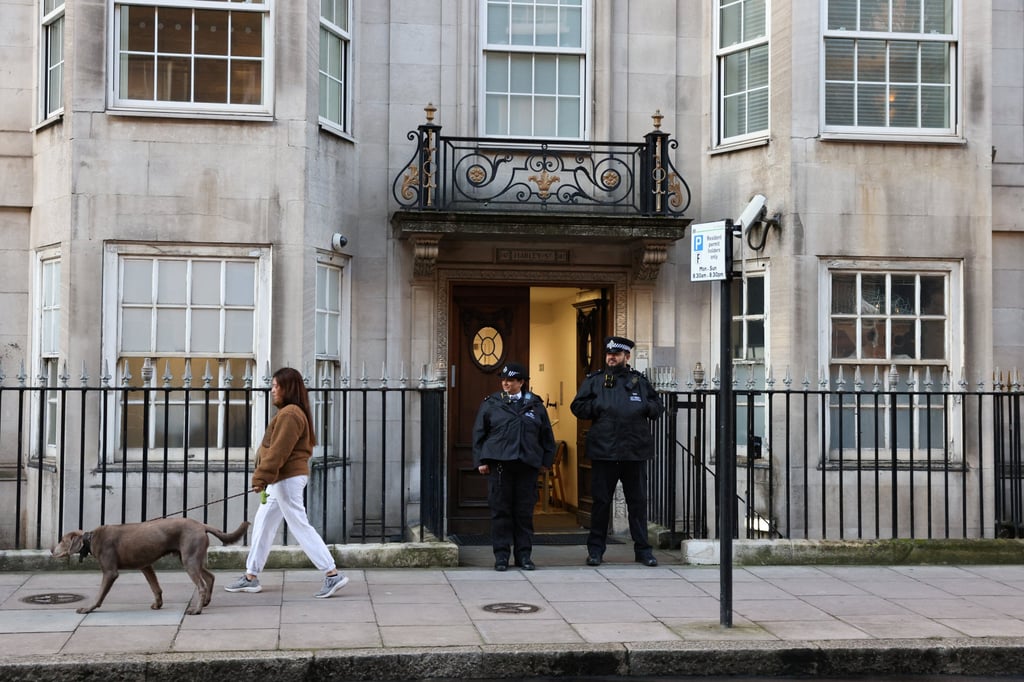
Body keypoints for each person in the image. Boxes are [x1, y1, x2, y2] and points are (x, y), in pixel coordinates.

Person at [225, 367, 349, 598]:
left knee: (299, 525)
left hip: (286, 479)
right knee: (263, 523)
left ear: (287, 388)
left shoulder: (290, 414)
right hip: (282, 479)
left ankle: (332, 574)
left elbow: (279, 451)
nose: (272, 390)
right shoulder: (290, 412)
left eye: (276, 386)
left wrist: (261, 477)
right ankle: (251, 576)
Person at [570, 336, 665, 567]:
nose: (611, 357)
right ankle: (596, 551)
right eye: (609, 354)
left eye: (616, 354)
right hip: (604, 451)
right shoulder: (595, 381)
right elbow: (577, 407)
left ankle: (643, 550)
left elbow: (657, 407)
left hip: (634, 451)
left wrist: (643, 406)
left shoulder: (639, 381)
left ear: (627, 357)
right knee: (601, 503)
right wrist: (599, 406)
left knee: (638, 503)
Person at [472, 362, 556, 572]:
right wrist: (481, 461)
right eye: (503, 380)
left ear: (521, 382)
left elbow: (547, 436)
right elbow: (479, 433)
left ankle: (524, 556)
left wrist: (546, 462)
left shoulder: (535, 405)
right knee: (501, 513)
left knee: (524, 513)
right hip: (501, 466)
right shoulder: (491, 403)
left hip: (526, 465)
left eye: (510, 380)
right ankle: (501, 557)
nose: (506, 383)